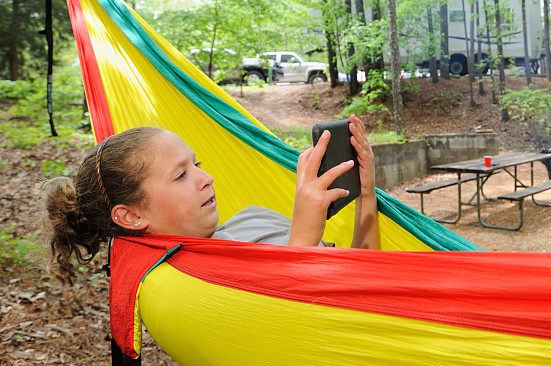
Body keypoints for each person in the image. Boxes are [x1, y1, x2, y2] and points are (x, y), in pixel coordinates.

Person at [42, 114, 380, 285]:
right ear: (130, 216)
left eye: (197, 165)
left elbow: (371, 281)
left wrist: (366, 193)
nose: (207, 178)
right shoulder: (191, 283)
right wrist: (304, 235)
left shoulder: (253, 220)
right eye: (181, 174)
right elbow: (292, 324)